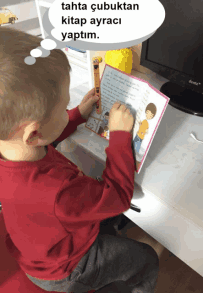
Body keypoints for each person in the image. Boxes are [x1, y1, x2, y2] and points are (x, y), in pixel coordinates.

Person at [0, 26, 159, 293]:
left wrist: (76, 115)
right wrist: (120, 135)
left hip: (37, 250)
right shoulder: (58, 190)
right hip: (65, 270)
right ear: (34, 132)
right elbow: (119, 196)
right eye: (62, 107)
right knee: (146, 258)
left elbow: (43, 138)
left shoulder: (11, 146)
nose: (67, 108)